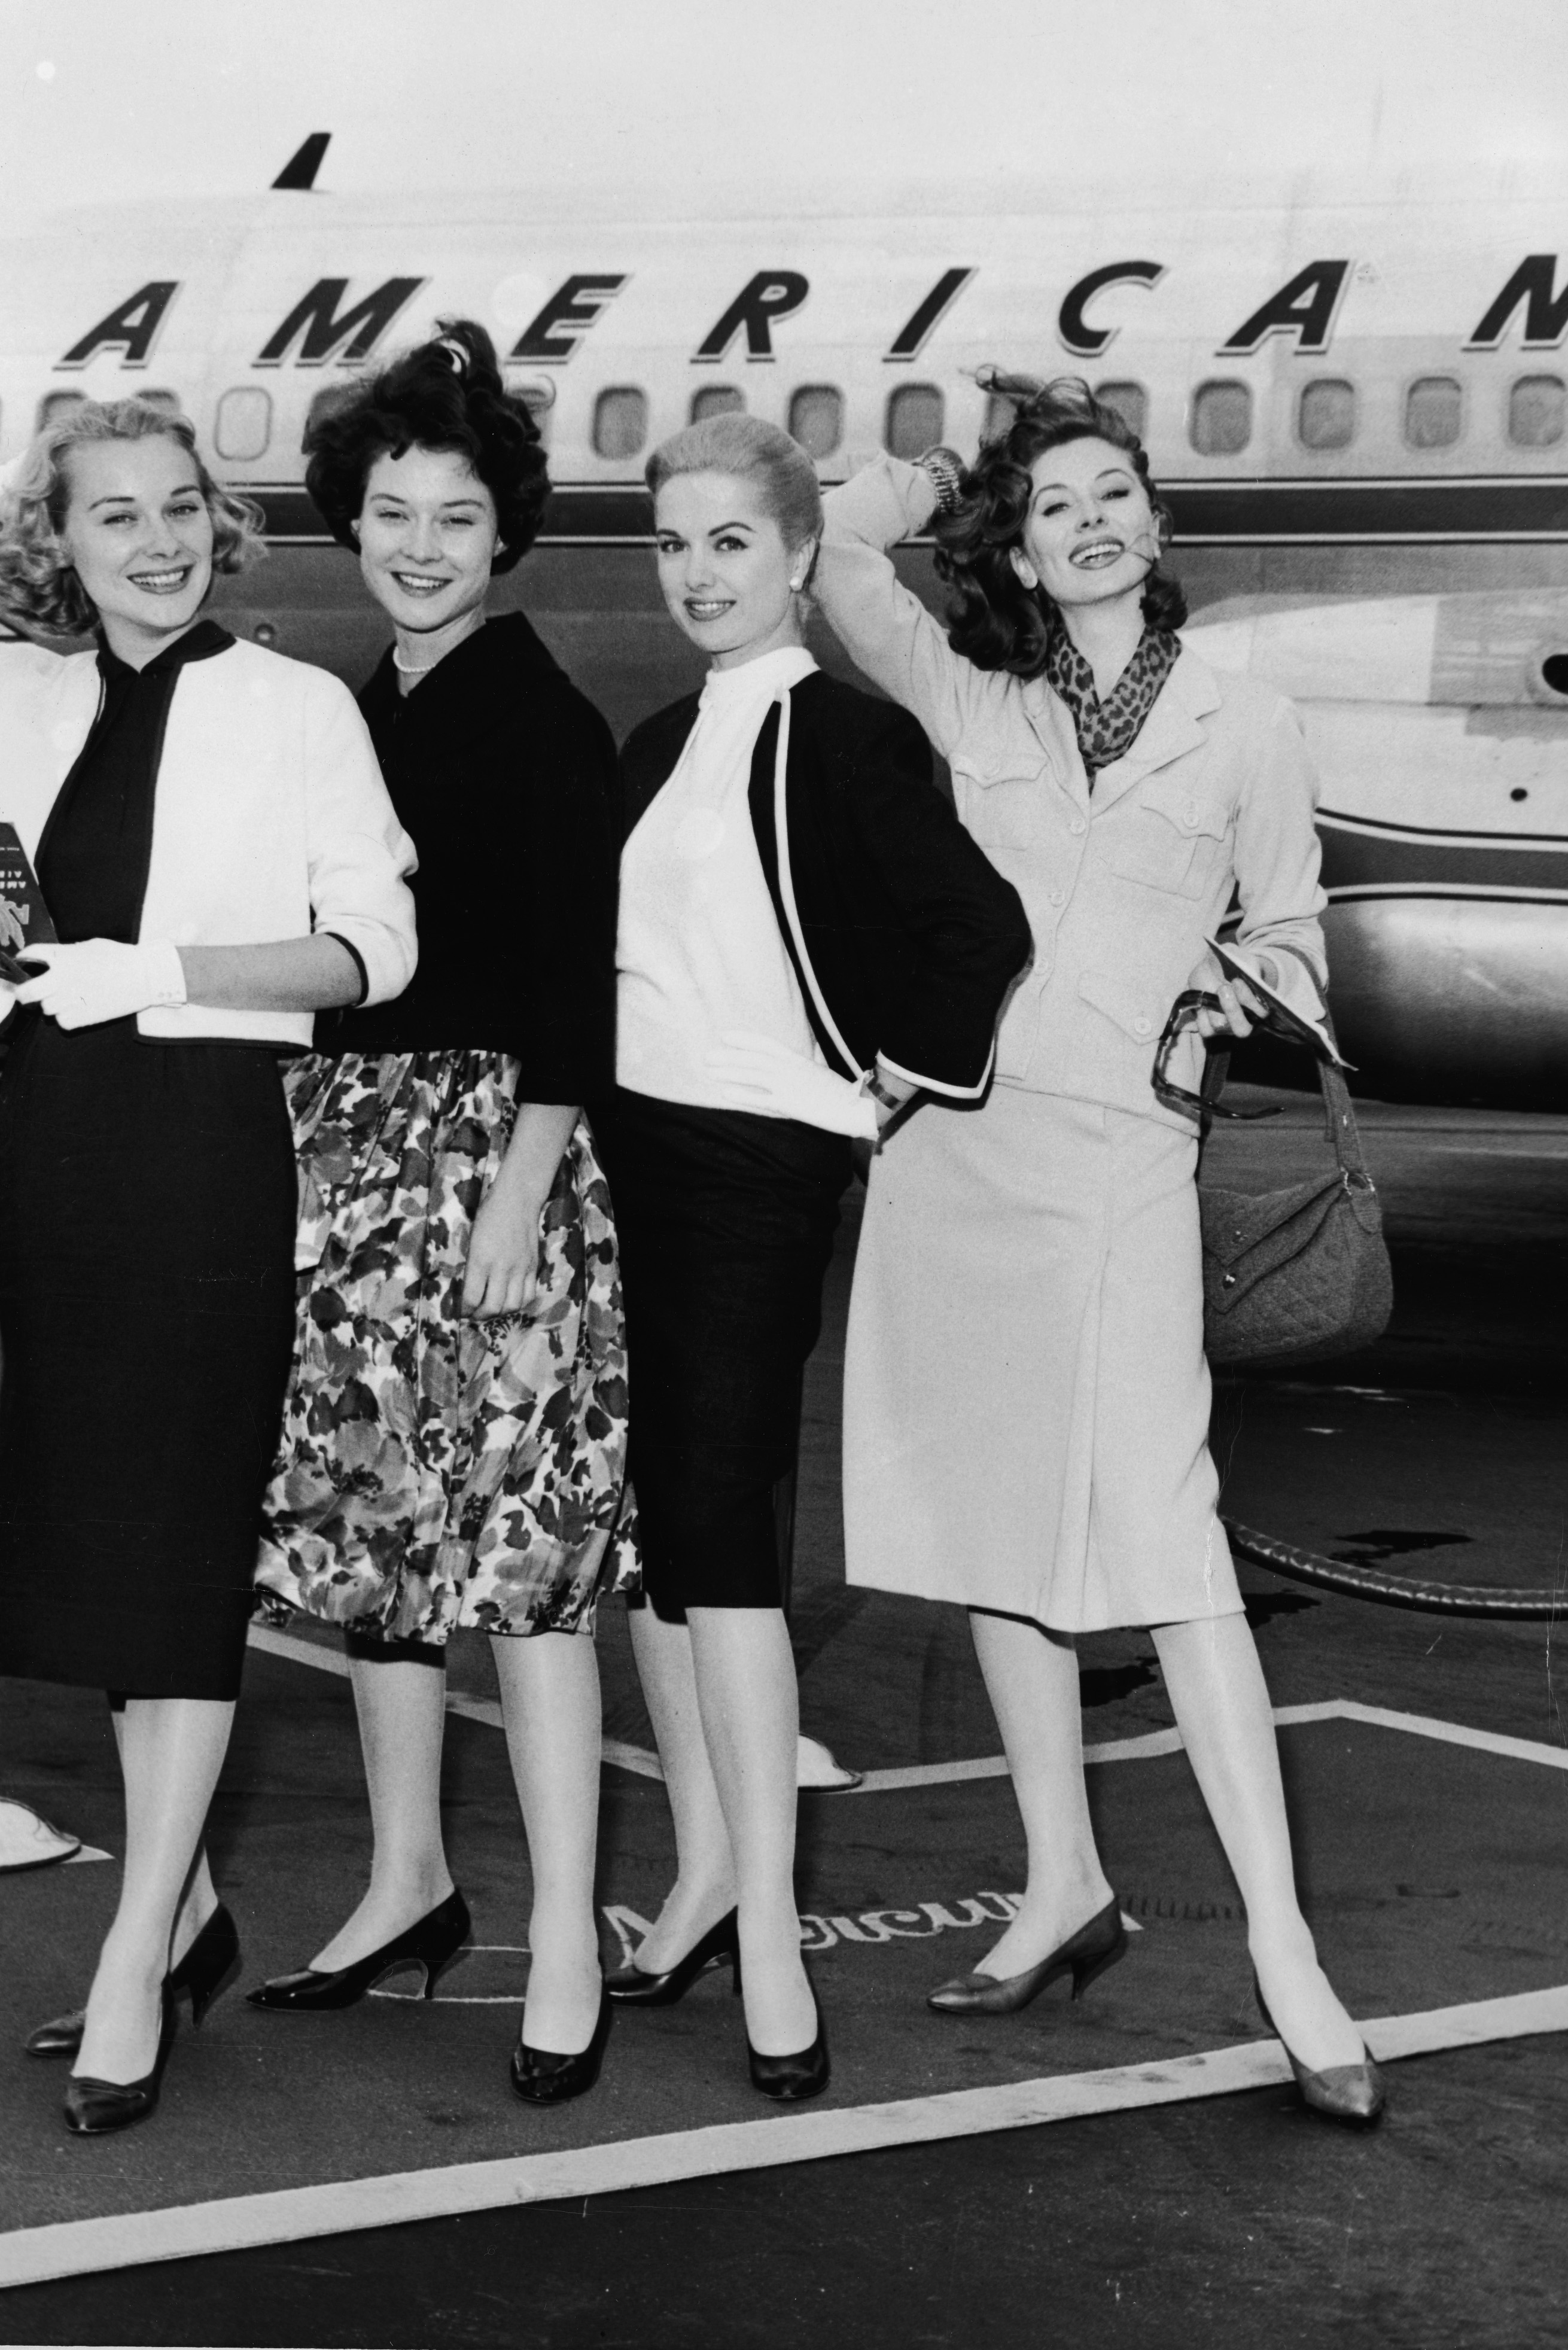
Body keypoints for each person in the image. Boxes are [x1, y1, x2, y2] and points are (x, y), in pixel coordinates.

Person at [0, 398, 416, 2135]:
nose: (148, 542)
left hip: (205, 1146)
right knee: (101, 1569)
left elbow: (373, 950)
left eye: (173, 511)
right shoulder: (17, 690)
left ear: (215, 526)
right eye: (105, 517)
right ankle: (188, 1910)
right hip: (53, 1165)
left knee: (179, 1556)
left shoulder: (295, 707)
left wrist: (157, 971)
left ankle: (137, 1949)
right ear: (57, 546)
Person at [814, 373, 1385, 2125]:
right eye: (1054, 498)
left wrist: (1230, 996)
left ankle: (1288, 1954)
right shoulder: (969, 694)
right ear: (1015, 540)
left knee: (1168, 1542)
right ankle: (1058, 1879)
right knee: (998, 1517)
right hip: (957, 1155)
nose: (1092, 516)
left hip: (1131, 1156)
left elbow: (1292, 934)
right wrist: (938, 470)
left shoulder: (1244, 716)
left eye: (1115, 488)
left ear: (1155, 522)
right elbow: (836, 551)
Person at [601, 412, 1028, 2100]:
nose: (698, 574)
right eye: (674, 544)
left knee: (721, 1535)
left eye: (729, 542)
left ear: (796, 555)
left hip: (750, 1174)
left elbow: (972, 932)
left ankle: (771, 1931)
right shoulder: (651, 745)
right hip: (625, 1162)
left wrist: (864, 1100)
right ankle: (707, 1866)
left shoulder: (842, 738)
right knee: (652, 1532)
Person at [248, 323, 634, 2107]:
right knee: (387, 1550)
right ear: (355, 519)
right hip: (354, 1146)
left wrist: (520, 1188)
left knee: (528, 1569)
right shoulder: (351, 704)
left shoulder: (539, 715)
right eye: (391, 509)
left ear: (505, 534)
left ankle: (566, 1931)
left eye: (454, 515)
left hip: (493, 1155)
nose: (418, 541)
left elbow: (573, 981)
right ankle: (408, 1876)